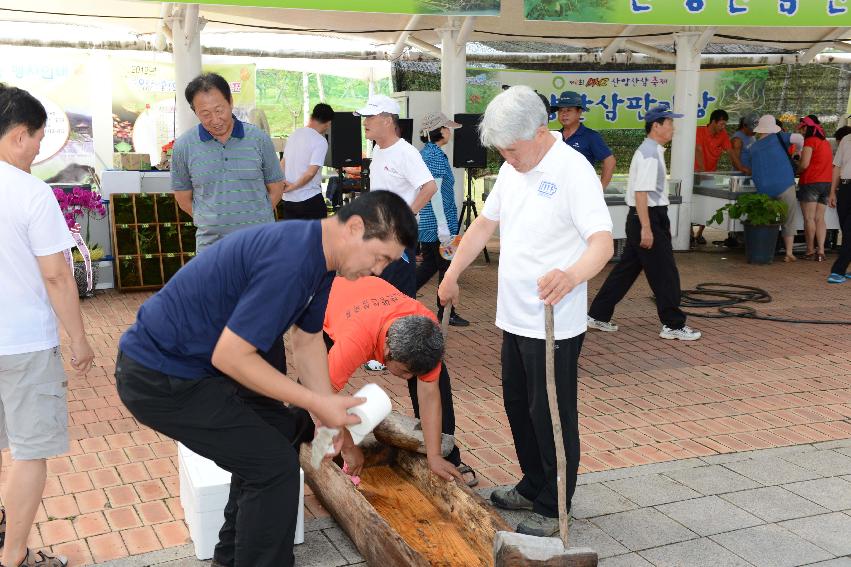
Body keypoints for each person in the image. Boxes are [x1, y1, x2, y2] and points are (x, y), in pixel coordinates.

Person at [114, 191, 418, 567]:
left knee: (280, 435)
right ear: (355, 228)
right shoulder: (293, 259)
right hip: (159, 374)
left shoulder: (320, 259)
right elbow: (232, 355)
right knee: (272, 469)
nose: (379, 271)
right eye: (380, 258)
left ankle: (230, 559)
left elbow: (307, 342)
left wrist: (325, 417)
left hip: (197, 371)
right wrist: (315, 402)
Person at [438, 86, 614, 537]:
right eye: (502, 151)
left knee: (551, 411)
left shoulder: (574, 170)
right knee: (519, 405)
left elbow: (602, 244)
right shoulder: (514, 168)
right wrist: (453, 273)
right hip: (514, 315)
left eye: (513, 150)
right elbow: (483, 224)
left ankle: (556, 504)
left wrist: (572, 276)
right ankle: (534, 482)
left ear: (540, 131)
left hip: (555, 321)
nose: (508, 159)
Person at [0, 85, 95, 567]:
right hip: (23, 345)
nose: (39, 148)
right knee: (29, 450)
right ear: (18, 135)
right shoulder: (30, 193)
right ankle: (12, 557)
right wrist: (78, 339)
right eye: (37, 138)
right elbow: (57, 275)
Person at [323, 276, 476, 485]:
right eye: (405, 372)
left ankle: (447, 457)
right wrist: (349, 448)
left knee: (437, 381)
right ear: (387, 349)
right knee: (311, 389)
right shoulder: (353, 341)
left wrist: (434, 456)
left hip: (371, 296)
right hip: (326, 300)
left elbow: (430, 396)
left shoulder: (427, 328)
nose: (409, 378)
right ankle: (302, 447)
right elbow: (320, 397)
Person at [588, 107, 702, 342]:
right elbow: (641, 193)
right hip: (648, 217)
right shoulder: (649, 153)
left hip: (644, 217)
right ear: (656, 126)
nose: (673, 128)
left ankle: (598, 314)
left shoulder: (652, 150)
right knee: (666, 273)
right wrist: (647, 228)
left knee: (626, 271)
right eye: (670, 123)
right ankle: (673, 324)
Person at [171, 72, 285, 252]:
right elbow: (183, 198)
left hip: (260, 243)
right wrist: (210, 221)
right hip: (211, 248)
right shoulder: (184, 147)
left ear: (230, 102)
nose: (215, 120)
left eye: (219, 110)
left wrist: (257, 217)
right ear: (195, 112)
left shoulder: (259, 139)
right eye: (205, 114)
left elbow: (277, 187)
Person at [356, 94, 437, 299]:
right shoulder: (378, 149)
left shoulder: (406, 152)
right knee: (379, 295)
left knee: (396, 296)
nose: (365, 122)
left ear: (387, 120)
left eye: (370, 117)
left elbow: (429, 187)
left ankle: (402, 331)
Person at [415, 111, 469, 327]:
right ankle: (447, 311)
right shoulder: (434, 156)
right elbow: (434, 192)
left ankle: (404, 294)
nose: (449, 132)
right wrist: (443, 226)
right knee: (447, 267)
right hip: (439, 222)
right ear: (437, 131)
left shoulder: (429, 153)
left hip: (433, 222)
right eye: (446, 128)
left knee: (430, 264)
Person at [743, 115, 800, 263]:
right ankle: (789, 252)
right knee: (789, 219)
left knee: (767, 221)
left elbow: (749, 167)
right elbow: (800, 138)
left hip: (764, 189)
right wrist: (798, 152)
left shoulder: (752, 147)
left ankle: (767, 249)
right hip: (786, 184)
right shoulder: (780, 137)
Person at [693, 109, 746, 245]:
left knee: (706, 204)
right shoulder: (699, 131)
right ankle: (688, 234)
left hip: (710, 174)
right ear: (713, 122)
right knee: (692, 203)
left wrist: (741, 168)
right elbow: (698, 150)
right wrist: (703, 172)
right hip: (695, 173)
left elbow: (731, 152)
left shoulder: (722, 134)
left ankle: (699, 234)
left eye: (725, 124)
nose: (723, 127)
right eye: (721, 124)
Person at [551, 90, 616, 189]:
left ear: (579, 112)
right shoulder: (555, 136)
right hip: (557, 193)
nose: (564, 114)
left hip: (581, 192)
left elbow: (610, 161)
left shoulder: (591, 136)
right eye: (561, 110)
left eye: (569, 110)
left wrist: (600, 189)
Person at [280, 103, 333, 220]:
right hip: (310, 199)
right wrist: (292, 187)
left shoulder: (294, 135)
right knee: (316, 237)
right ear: (328, 123)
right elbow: (310, 173)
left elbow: (283, 162)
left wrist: (283, 184)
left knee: (294, 237)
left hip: (289, 200)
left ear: (311, 117)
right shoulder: (320, 141)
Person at [796, 115, 833, 262]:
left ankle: (810, 250)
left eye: (802, 128)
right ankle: (821, 251)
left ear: (807, 127)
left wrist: (796, 169)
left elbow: (804, 164)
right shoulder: (825, 143)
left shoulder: (810, 141)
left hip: (811, 182)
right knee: (820, 218)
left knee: (809, 218)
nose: (802, 132)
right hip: (826, 182)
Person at [828, 125, 851, 283]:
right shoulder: (846, 139)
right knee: (845, 227)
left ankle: (838, 270)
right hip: (844, 187)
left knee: (849, 231)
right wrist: (832, 191)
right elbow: (837, 167)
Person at [731, 112, 759, 176]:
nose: (755, 132)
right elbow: (734, 162)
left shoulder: (752, 135)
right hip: (740, 177)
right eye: (752, 129)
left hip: (750, 175)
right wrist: (746, 170)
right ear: (745, 126)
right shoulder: (737, 139)